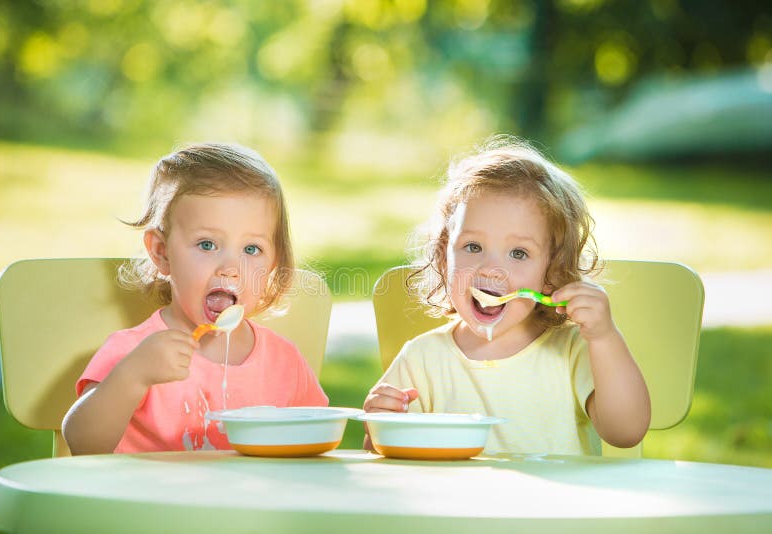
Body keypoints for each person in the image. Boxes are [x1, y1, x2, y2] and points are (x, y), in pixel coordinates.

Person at [363, 136, 650, 455]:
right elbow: (389, 461)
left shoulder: (573, 351)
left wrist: (604, 337)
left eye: (518, 253)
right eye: (473, 247)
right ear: (445, 259)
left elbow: (626, 432)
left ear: (551, 273)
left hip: (557, 506)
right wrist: (380, 427)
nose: (491, 270)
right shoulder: (421, 361)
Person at [62, 142, 328, 454]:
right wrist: (132, 377)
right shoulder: (133, 353)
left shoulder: (285, 362)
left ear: (273, 263)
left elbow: (316, 446)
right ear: (162, 253)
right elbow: (82, 443)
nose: (230, 269)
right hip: (148, 501)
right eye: (206, 245)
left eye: (251, 249)